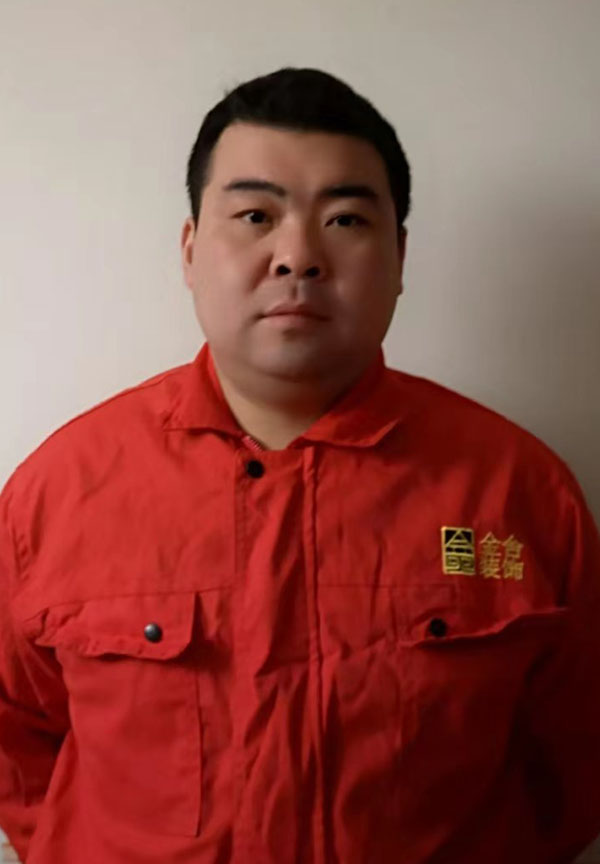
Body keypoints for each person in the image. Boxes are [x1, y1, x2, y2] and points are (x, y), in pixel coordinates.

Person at [1, 67, 599, 864]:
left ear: (399, 255)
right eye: (256, 215)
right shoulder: (59, 491)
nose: (298, 256)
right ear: (190, 250)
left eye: (345, 219)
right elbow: (18, 747)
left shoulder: (517, 491)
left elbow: (572, 762)